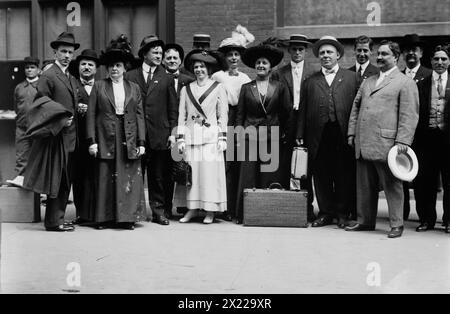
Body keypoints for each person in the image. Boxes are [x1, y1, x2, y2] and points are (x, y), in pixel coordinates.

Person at [346, 40, 419, 238]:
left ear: (396, 57)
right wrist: (352, 133)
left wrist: (403, 142)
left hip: (387, 144)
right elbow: (356, 107)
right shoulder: (368, 80)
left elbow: (409, 115)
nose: (379, 57)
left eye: (384, 54)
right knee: (365, 186)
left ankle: (396, 224)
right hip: (363, 142)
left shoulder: (405, 82)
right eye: (378, 54)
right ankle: (365, 221)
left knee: (392, 185)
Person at [296, 36, 358, 229]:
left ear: (338, 55)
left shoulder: (351, 78)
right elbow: (303, 110)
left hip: (342, 134)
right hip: (318, 135)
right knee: (321, 176)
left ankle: (342, 213)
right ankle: (325, 213)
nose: (325, 56)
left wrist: (355, 133)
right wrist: (300, 134)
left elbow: (358, 108)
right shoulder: (310, 81)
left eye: (329, 52)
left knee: (343, 174)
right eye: (322, 53)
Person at [86, 35, 147, 230]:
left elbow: (139, 115)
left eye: (118, 65)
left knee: (128, 175)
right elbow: (91, 115)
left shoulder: (134, 88)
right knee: (105, 176)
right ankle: (104, 218)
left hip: (128, 135)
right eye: (111, 66)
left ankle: (127, 218)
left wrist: (141, 142)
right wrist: (92, 141)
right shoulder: (99, 86)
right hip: (106, 135)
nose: (114, 69)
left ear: (125, 68)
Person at [23, 32, 80, 232]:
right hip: (56, 135)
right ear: (55, 52)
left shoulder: (70, 77)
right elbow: (41, 105)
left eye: (70, 52)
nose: (66, 55)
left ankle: (59, 218)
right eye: (63, 51)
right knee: (57, 178)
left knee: (66, 179)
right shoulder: (48, 75)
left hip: (71, 136)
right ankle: (53, 221)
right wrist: (60, 120)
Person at [235, 43, 291, 224]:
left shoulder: (280, 87)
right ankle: (244, 213)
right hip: (249, 135)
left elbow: (286, 112)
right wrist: (237, 136)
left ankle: (267, 214)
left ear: (270, 67)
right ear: (254, 66)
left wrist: (284, 134)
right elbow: (240, 115)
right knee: (248, 175)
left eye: (264, 63)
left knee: (270, 174)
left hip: (272, 135)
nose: (261, 65)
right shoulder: (246, 87)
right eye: (258, 63)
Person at [126, 35, 178, 226]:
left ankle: (158, 212)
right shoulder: (130, 76)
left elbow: (173, 109)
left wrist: (172, 133)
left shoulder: (166, 77)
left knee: (157, 176)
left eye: (160, 53)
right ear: (144, 54)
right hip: (136, 135)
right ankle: (132, 214)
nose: (159, 55)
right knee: (134, 174)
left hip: (159, 135)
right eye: (155, 52)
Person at [176, 50, 228, 224]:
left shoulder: (218, 87)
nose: (199, 70)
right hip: (191, 138)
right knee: (193, 176)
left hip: (211, 138)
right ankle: (191, 209)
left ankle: (210, 211)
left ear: (209, 69)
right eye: (196, 67)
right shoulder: (186, 89)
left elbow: (223, 115)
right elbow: (181, 115)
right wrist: (181, 138)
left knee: (209, 176)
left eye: (202, 67)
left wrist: (222, 137)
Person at [272, 34, 316, 222]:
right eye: (294, 49)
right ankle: (286, 205)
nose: (297, 52)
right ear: (289, 51)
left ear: (305, 51)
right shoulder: (279, 73)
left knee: (305, 166)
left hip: (307, 123)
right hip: (287, 123)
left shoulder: (314, 72)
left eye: (301, 49)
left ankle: (306, 207)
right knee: (285, 163)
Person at [213, 25, 253, 221]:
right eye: (230, 55)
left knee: (238, 163)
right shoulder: (217, 77)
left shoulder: (245, 78)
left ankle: (236, 208)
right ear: (225, 57)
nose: (234, 58)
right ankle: (223, 206)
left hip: (240, 121)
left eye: (237, 54)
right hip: (223, 120)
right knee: (224, 164)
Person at [413, 45, 450, 234]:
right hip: (426, 140)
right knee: (425, 182)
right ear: (431, 61)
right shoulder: (421, 84)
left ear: (449, 61)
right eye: (436, 59)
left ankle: (449, 220)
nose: (440, 63)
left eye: (444, 59)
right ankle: (426, 219)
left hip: (448, 140)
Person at [400, 33, 433, 221]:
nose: (411, 53)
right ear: (403, 54)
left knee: (423, 178)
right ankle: (401, 214)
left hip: (423, 136)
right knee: (400, 175)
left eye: (415, 50)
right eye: (407, 50)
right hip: (402, 135)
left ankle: (425, 217)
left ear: (421, 53)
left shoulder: (428, 75)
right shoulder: (397, 76)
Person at [163, 43, 195, 217]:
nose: (172, 61)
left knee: (183, 168)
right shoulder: (158, 79)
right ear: (163, 60)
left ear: (181, 60)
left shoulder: (188, 81)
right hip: (165, 131)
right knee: (166, 171)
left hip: (184, 130)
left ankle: (184, 206)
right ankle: (166, 207)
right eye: (169, 58)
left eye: (175, 58)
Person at [70, 49, 99, 224]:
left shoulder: (102, 86)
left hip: (97, 139)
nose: (86, 67)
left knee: (97, 176)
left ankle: (97, 213)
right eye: (83, 64)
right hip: (78, 140)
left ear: (96, 69)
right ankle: (81, 213)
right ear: (79, 67)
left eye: (90, 64)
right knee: (79, 177)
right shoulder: (73, 85)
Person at [6, 57, 40, 187]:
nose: (29, 70)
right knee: (21, 157)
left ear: (38, 69)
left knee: (38, 157)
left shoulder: (42, 86)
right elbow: (16, 107)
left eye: (32, 67)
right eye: (27, 68)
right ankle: (20, 182)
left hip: (38, 127)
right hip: (22, 128)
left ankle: (39, 188)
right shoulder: (19, 87)